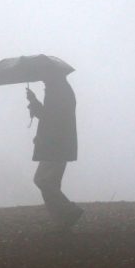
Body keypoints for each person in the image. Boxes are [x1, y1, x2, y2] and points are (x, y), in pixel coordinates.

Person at [26, 72, 82, 231]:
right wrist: (34, 102)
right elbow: (51, 117)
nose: (43, 78)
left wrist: (34, 103)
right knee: (51, 182)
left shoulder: (58, 91)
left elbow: (50, 118)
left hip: (55, 145)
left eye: (45, 76)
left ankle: (68, 211)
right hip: (58, 144)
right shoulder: (60, 90)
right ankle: (62, 221)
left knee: (42, 180)